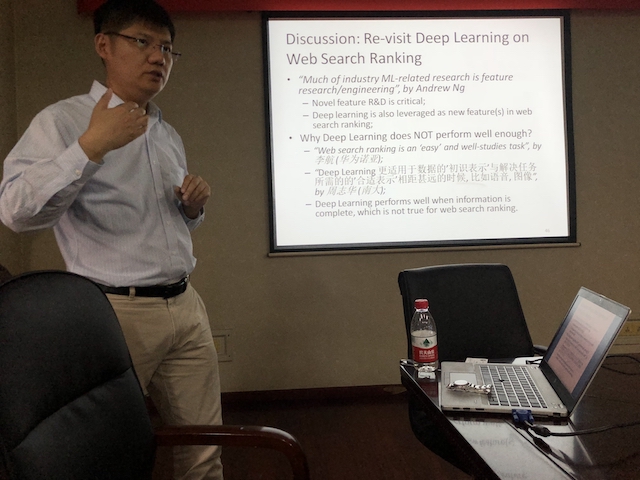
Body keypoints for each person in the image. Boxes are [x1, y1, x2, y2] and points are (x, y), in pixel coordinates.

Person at [0, 1, 223, 478]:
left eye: (167, 48)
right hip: (115, 313)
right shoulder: (64, 122)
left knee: (205, 450)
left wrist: (192, 210)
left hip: (186, 307)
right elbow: (16, 212)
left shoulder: (165, 132)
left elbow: (165, 227)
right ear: (104, 45)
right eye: (142, 41)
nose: (158, 57)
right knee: (104, 455)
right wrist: (92, 146)